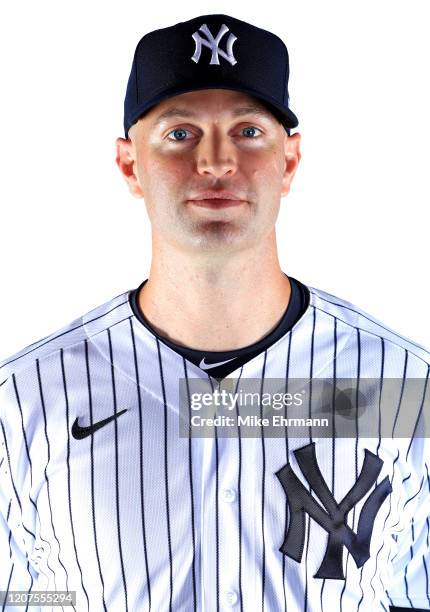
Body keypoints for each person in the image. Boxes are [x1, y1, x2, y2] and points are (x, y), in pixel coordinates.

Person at [0, 13, 429, 612]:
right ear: (129, 164)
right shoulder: (24, 400)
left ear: (291, 161)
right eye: (181, 133)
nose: (217, 161)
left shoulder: (403, 385)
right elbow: (25, 600)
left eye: (249, 131)